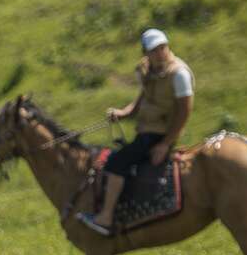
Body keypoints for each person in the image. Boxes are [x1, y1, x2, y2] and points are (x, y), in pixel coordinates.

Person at [79, 28, 193, 237]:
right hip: (146, 132)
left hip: (158, 135)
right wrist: (122, 113)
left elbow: (184, 112)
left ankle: (105, 218)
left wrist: (166, 143)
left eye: (162, 48)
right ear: (146, 53)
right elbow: (141, 102)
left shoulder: (179, 74)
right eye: (154, 50)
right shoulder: (149, 71)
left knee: (116, 163)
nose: (160, 53)